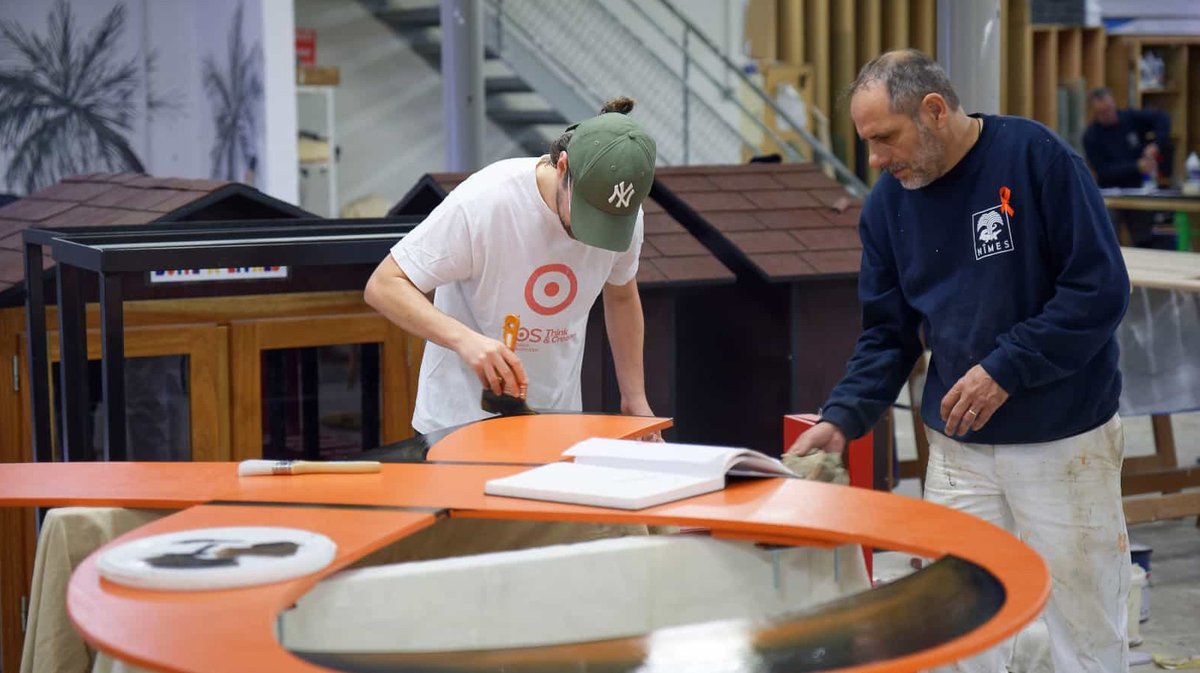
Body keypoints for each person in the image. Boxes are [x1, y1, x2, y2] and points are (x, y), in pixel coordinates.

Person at [786, 50, 1131, 672]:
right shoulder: (886, 208)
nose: (876, 160)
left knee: (1082, 623)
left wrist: (1006, 368)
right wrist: (842, 417)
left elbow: (1099, 290)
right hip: (958, 451)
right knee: (957, 630)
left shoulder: (1035, 159)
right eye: (866, 143)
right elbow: (888, 335)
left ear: (934, 110)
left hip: (1064, 439)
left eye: (884, 138)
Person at [365, 96, 659, 435]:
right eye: (586, 214)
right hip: (457, 424)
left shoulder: (624, 215)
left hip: (556, 422)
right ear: (563, 167)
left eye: (606, 222)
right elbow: (384, 284)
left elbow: (622, 295)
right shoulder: (485, 201)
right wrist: (466, 340)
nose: (591, 235)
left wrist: (634, 398)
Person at [1082, 87, 1174, 247]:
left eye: (1109, 109)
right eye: (1101, 112)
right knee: (1107, 239)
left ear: (1113, 104)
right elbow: (1103, 171)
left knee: (1144, 239)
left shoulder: (1130, 118)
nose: (1108, 115)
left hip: (1138, 189)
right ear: (1094, 114)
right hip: (1111, 194)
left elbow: (1163, 118)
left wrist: (1156, 144)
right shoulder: (1091, 136)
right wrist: (1136, 166)